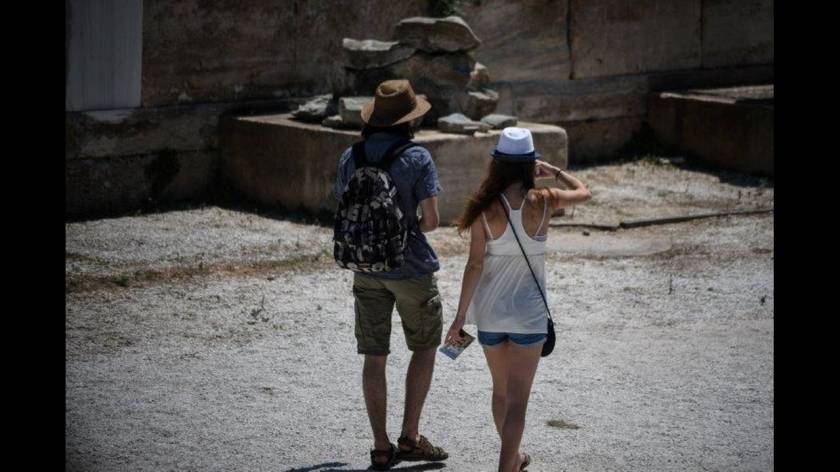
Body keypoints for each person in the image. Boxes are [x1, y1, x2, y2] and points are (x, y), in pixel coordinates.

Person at [444, 127, 591, 472]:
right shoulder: (544, 200)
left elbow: (474, 265)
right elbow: (584, 192)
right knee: (518, 402)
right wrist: (553, 170)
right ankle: (507, 465)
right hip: (529, 317)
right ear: (530, 164)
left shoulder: (484, 208)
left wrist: (460, 318)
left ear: (497, 164)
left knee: (500, 393)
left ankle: (514, 459)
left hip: (491, 316)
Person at [333, 79, 449, 470]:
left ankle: (381, 447)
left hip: (365, 269)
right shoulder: (417, 157)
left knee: (374, 356)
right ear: (409, 120)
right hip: (411, 268)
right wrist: (405, 225)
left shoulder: (351, 155)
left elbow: (345, 208)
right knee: (424, 346)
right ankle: (410, 436)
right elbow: (431, 221)